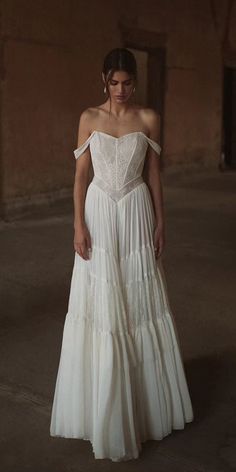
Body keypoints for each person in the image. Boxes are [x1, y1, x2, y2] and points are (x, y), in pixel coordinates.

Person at [50, 47, 194, 462]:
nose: (120, 90)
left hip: (135, 210)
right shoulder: (88, 119)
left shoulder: (148, 118)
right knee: (100, 303)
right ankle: (102, 406)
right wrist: (77, 224)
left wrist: (161, 222)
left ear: (135, 81)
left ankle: (145, 406)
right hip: (97, 210)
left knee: (137, 303)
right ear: (103, 80)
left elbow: (153, 175)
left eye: (127, 83)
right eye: (113, 83)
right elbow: (80, 177)